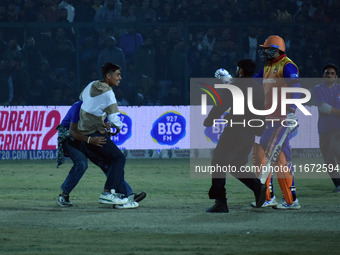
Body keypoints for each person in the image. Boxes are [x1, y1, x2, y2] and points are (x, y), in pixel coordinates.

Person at [204, 59, 267, 213]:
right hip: (249, 134)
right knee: (235, 165)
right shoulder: (258, 88)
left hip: (234, 131)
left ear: (241, 70)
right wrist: (258, 130)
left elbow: (220, 105)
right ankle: (257, 187)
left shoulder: (235, 86)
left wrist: (209, 120)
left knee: (218, 161)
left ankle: (221, 202)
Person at [56, 100, 146, 207]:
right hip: (70, 139)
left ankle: (128, 194)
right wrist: (91, 140)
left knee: (107, 164)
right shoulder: (79, 107)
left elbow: (104, 132)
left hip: (86, 140)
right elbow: (73, 131)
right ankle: (63, 195)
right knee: (81, 164)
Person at [78, 62, 142, 209]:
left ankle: (122, 196)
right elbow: (115, 120)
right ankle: (108, 193)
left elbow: (81, 98)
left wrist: (99, 117)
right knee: (119, 158)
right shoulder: (109, 93)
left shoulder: (91, 85)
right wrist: (117, 127)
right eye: (117, 75)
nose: (120, 78)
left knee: (111, 162)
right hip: (93, 132)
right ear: (108, 76)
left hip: (84, 133)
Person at [252, 35, 301, 209]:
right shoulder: (268, 66)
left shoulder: (287, 65)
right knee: (261, 155)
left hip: (282, 118)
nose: (264, 52)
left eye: (267, 49)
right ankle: (267, 197)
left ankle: (290, 200)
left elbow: (295, 87)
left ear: (277, 50)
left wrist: (292, 110)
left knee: (277, 156)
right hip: (269, 118)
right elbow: (253, 81)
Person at [312, 63, 340, 192]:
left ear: (336, 76)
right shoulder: (318, 89)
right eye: (326, 73)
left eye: (332, 73)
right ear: (323, 76)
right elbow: (323, 107)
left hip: (337, 128)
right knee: (328, 158)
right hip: (324, 129)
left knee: (336, 150)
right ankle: (337, 184)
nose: (329, 75)